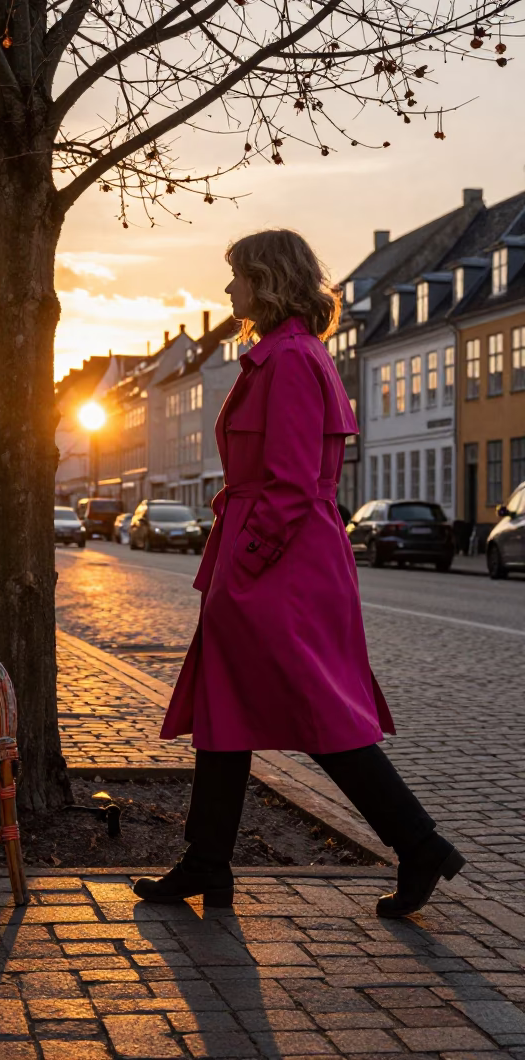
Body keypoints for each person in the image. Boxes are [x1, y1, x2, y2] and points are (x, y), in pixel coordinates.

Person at [135, 229, 465, 919]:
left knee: (322, 713)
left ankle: (420, 844)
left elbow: (288, 485)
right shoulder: (286, 356)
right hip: (274, 556)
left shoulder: (287, 361)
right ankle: (206, 863)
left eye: (236, 279)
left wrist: (243, 570)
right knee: (225, 710)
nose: (229, 292)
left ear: (265, 279)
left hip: (277, 564)